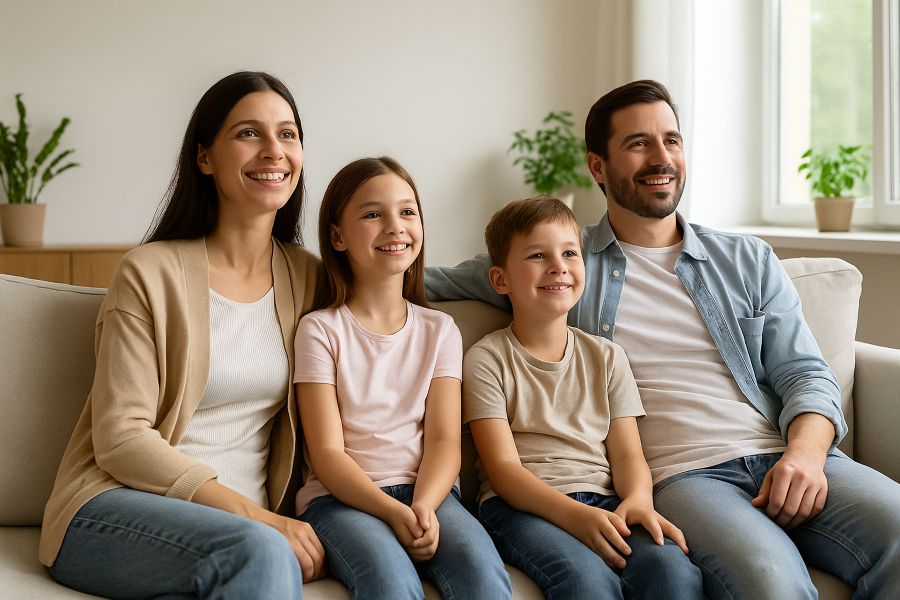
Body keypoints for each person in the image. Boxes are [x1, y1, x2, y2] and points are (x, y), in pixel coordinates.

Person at [425, 80, 900, 598]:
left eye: (671, 140)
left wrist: (805, 455)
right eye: (638, 144)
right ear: (598, 167)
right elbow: (415, 280)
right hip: (686, 480)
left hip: (787, 452)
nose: (661, 158)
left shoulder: (747, 259)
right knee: (772, 583)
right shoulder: (563, 259)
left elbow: (806, 374)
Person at [40, 71, 324, 599]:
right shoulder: (149, 272)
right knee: (261, 551)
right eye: (248, 133)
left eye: (287, 134)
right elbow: (121, 437)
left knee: (254, 558)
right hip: (117, 506)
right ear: (204, 158)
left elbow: (393, 282)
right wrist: (256, 517)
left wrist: (494, 280)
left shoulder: (308, 276)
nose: (273, 150)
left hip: (232, 535)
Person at [293, 156, 511, 600]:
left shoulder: (440, 329)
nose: (395, 226)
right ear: (337, 236)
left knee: (483, 575)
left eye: (407, 211)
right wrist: (391, 512)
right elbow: (328, 453)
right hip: (340, 500)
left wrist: (424, 505)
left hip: (428, 494)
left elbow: (445, 441)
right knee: (390, 582)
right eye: (373, 214)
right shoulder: (319, 330)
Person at [464, 195, 702, 599]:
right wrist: (576, 517)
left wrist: (639, 500)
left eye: (569, 253)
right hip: (520, 507)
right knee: (586, 581)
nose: (558, 266)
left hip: (603, 499)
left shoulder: (607, 357)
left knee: (672, 570)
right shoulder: (487, 359)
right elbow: (503, 471)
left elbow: (627, 456)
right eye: (537, 255)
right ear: (501, 280)